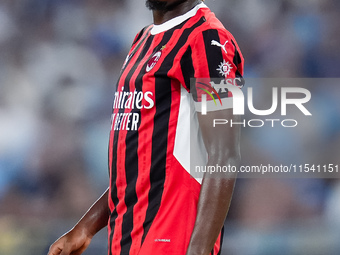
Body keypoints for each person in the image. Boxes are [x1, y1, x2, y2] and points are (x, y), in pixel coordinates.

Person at [48, 0, 244, 254]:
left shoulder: (208, 40)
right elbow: (140, 167)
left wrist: (199, 249)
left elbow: (225, 154)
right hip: (127, 237)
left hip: (173, 238)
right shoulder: (143, 39)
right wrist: (86, 227)